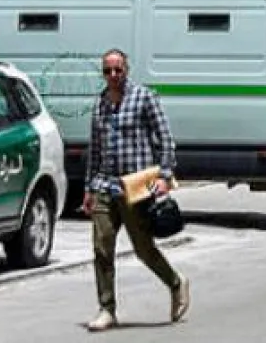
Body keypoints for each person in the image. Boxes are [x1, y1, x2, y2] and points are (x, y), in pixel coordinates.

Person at [82, 49, 189, 332]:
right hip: (105, 185)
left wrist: (165, 175)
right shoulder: (100, 103)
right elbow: (94, 149)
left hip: (135, 188)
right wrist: (88, 188)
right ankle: (107, 308)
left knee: (143, 249)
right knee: (101, 248)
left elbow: (165, 138)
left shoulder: (144, 97)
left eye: (118, 70)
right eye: (107, 71)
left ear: (126, 70)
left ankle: (176, 282)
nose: (113, 76)